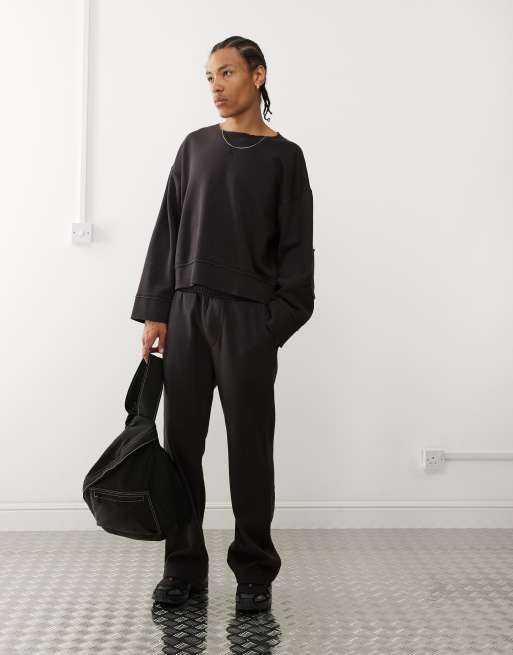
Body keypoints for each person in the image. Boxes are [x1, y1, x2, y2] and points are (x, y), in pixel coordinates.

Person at [130, 35, 315, 612]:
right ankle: (183, 567)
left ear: (258, 75)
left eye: (227, 72)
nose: (215, 85)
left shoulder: (286, 159)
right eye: (209, 76)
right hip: (186, 315)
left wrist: (271, 326)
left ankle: (254, 572)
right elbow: (167, 229)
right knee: (181, 447)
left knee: (250, 451)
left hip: (247, 321)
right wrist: (157, 309)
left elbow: (297, 253)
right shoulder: (194, 148)